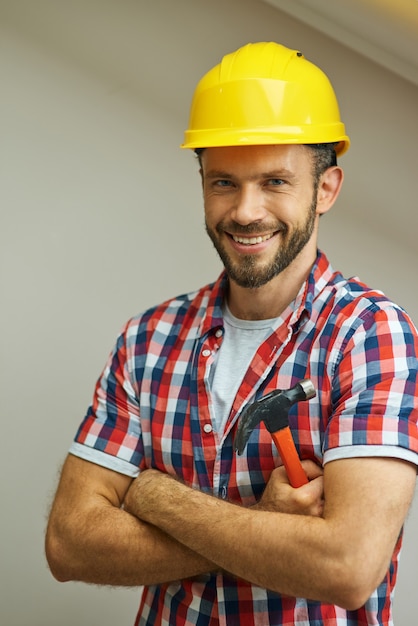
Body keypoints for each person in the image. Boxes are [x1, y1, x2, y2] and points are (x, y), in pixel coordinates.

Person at [45, 42, 418, 626]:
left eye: (275, 181)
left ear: (326, 188)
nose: (246, 211)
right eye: (223, 182)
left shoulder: (369, 335)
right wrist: (262, 523)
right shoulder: (149, 338)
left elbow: (347, 566)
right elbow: (71, 542)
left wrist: (156, 499)